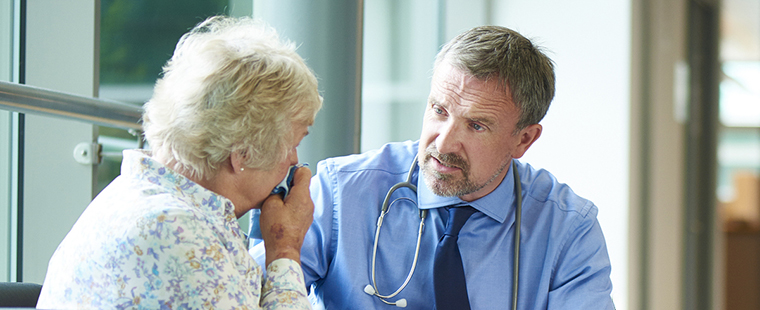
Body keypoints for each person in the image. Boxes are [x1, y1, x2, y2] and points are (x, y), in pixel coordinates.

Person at [250, 25, 614, 309]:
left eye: (476, 126)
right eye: (439, 110)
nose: (443, 143)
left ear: (524, 140)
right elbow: (239, 298)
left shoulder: (568, 230)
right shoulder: (340, 193)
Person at [37, 16, 322, 309]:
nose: (294, 161)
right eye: (292, 144)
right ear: (243, 154)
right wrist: (285, 249)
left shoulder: (139, 198)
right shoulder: (180, 232)